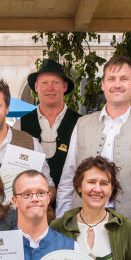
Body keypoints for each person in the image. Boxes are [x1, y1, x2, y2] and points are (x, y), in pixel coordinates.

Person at [55, 56, 131, 229]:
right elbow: (68, 177)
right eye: (111, 79)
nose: (117, 84)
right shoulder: (82, 125)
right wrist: (62, 224)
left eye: (124, 79)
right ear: (103, 85)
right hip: (83, 224)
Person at [18, 59, 80, 188]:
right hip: (32, 202)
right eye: (44, 83)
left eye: (55, 82)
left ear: (65, 87)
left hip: (72, 203)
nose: (50, 88)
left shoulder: (81, 123)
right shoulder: (20, 125)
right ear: (36, 87)